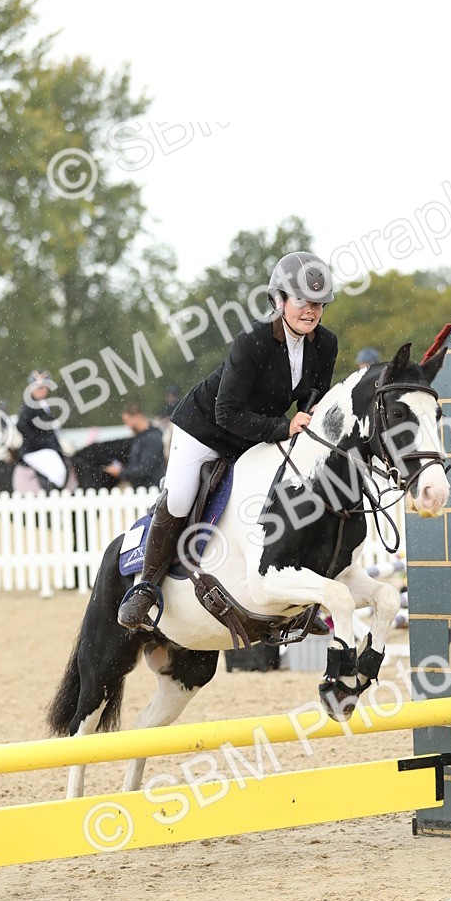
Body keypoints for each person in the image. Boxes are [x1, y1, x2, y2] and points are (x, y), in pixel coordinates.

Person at [117, 251, 339, 631]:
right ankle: (146, 588)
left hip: (258, 433)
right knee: (182, 495)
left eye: (318, 304)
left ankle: (296, 595)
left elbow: (313, 397)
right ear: (279, 300)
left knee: (286, 491)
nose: (311, 311)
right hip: (206, 429)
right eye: (302, 301)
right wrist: (283, 429)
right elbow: (227, 414)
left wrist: (309, 418)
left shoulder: (326, 344)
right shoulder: (252, 341)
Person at [16, 371, 69, 489]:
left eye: (44, 386)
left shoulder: (45, 405)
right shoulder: (30, 406)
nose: (41, 390)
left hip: (46, 449)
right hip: (36, 450)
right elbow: (21, 425)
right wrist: (42, 442)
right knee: (58, 473)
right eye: (37, 387)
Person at [104, 405, 166, 490]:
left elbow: (145, 469)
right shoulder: (139, 438)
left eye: (127, 421)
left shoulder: (152, 438)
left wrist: (121, 472)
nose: (127, 425)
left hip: (152, 489)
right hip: (143, 489)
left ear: (138, 416)